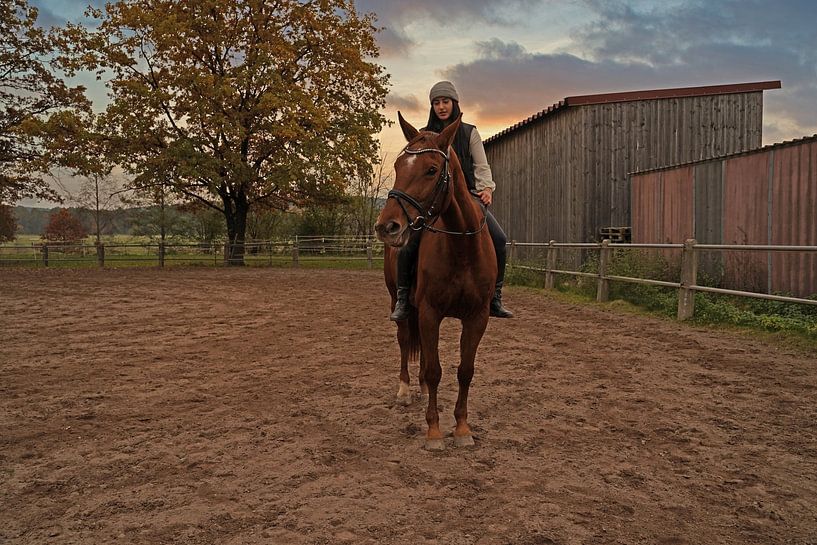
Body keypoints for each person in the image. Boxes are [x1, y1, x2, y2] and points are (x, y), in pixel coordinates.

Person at [390, 80, 514, 321]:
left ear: (454, 103)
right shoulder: (423, 135)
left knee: (499, 239)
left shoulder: (469, 132)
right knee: (408, 244)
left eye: (445, 101)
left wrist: (486, 188)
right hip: (431, 201)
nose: (441, 107)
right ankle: (404, 297)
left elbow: (481, 166)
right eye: (436, 103)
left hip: (466, 197)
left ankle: (495, 297)